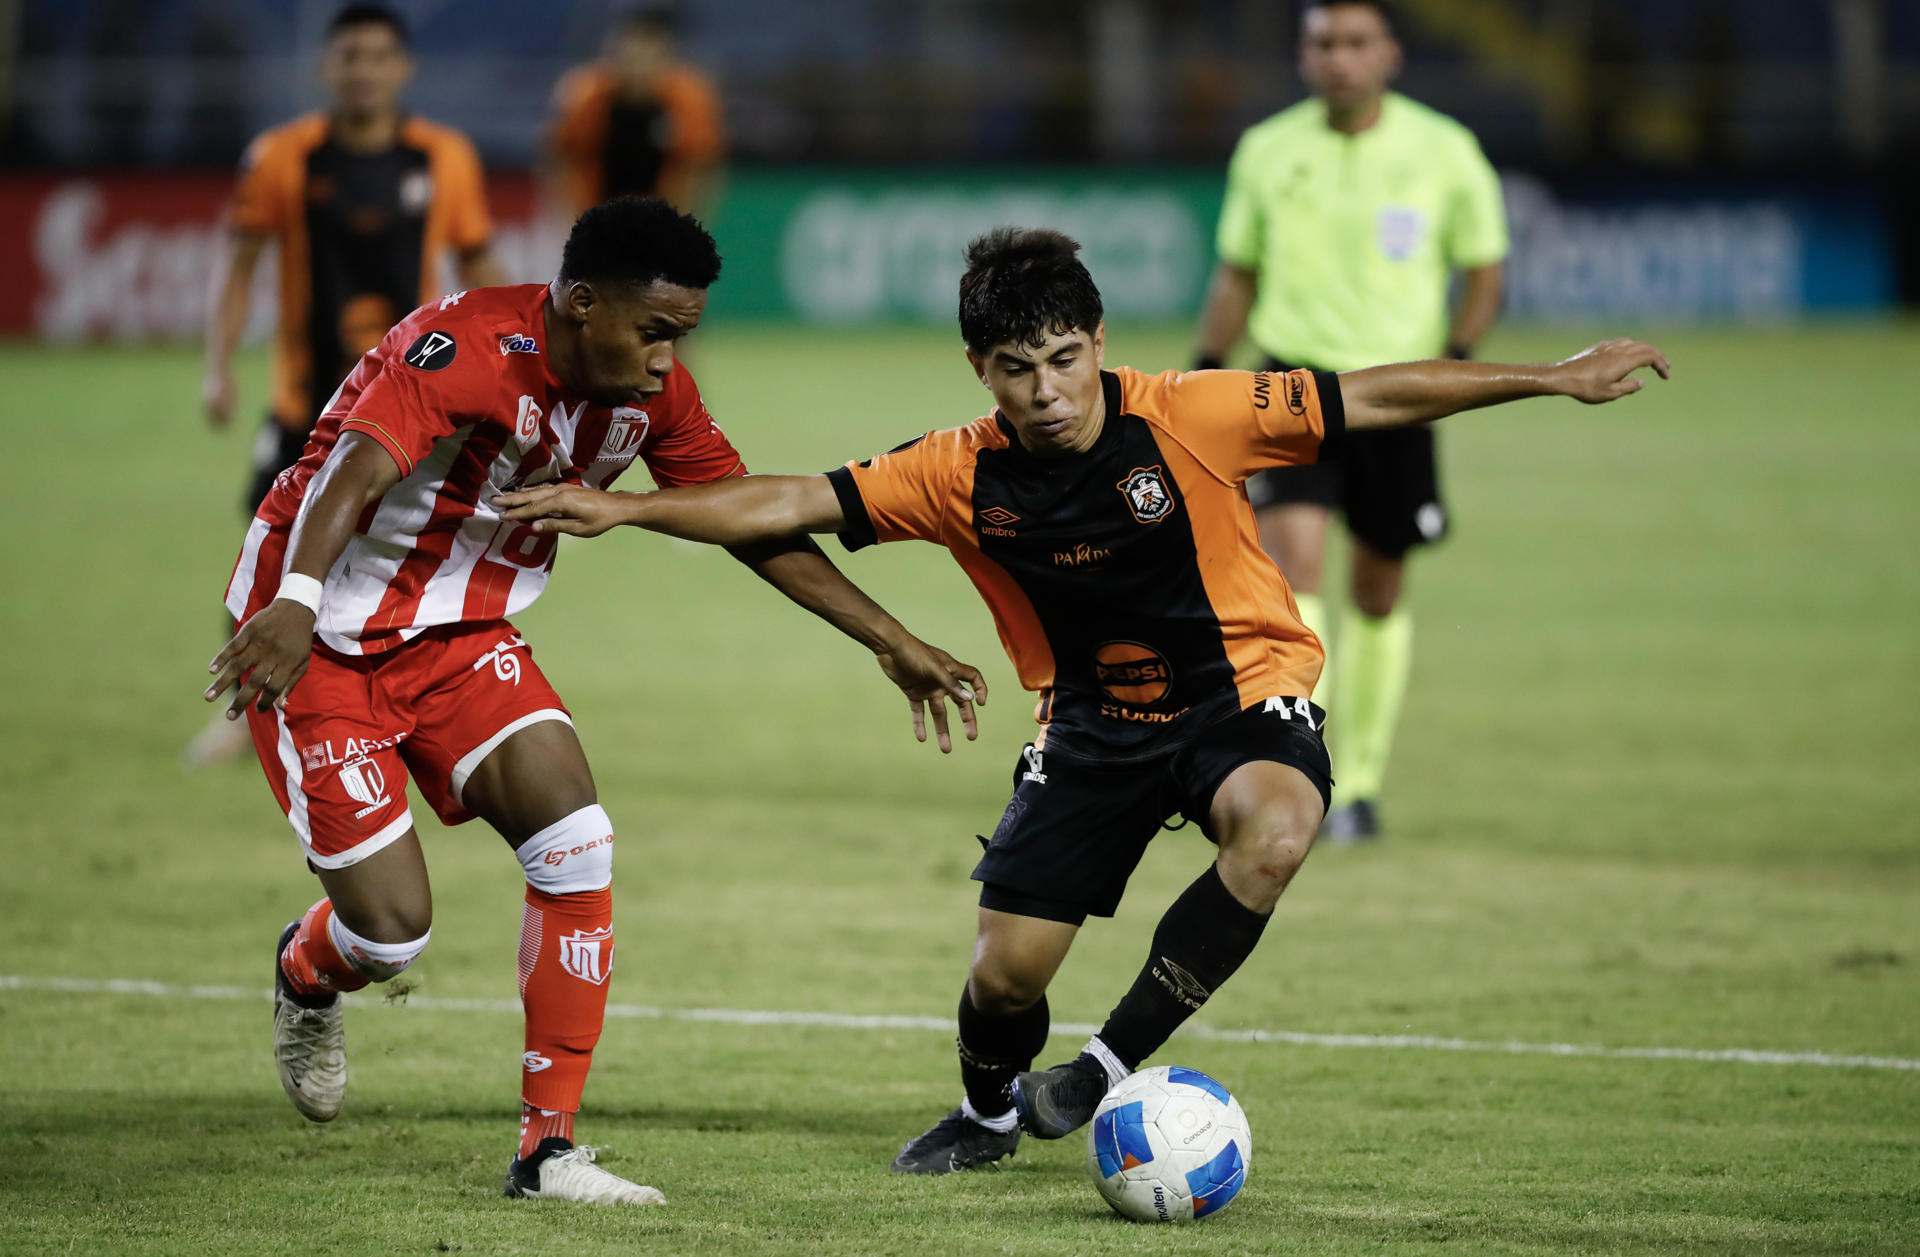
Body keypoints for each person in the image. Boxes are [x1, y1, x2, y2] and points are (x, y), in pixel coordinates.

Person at [494, 228, 1669, 1174]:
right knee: (1005, 978)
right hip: (1091, 727)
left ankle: (1101, 1073)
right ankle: (990, 1113)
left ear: (1097, 342)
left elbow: (1375, 395)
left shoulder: (1192, 415)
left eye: (1065, 359)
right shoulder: (955, 471)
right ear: (980, 371)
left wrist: (1551, 378)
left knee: (1278, 828)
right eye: (1017, 368)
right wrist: (627, 509)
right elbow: (789, 498)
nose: (1048, 391)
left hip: (1241, 697)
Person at [202, 196, 986, 1204]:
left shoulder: (651, 397)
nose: (667, 360)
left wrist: (892, 639)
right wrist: (296, 604)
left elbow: (744, 518)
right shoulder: (469, 346)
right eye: (653, 331)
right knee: (392, 934)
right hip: (315, 640)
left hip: (461, 640)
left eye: (680, 337)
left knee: (578, 845)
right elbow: (355, 469)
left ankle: (546, 1151)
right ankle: (310, 972)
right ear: (580, 303)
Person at [1192, 0, 1509, 839]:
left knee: (1379, 585)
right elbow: (1238, 270)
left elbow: (1484, 264)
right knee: (1294, 564)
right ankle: (1306, 767)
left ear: (1389, 54)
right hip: (1289, 388)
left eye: (1356, 42)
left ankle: (1361, 782)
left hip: (1399, 392)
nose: (1339, 57)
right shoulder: (1267, 150)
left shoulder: (1444, 151)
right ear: (1303, 55)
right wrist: (1206, 368)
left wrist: (1460, 354)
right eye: (1323, 42)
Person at [189, 2, 506, 768]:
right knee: (264, 549)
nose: (363, 70)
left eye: (377, 56)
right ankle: (242, 715)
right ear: (327, 68)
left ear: (403, 68)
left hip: (418, 407)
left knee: (416, 555)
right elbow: (239, 267)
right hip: (306, 399)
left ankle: (405, 708)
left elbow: (482, 273)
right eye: (349, 56)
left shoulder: (446, 159)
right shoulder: (282, 157)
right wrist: (219, 364)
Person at [546, 1, 724, 220]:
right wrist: (572, 219)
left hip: (664, 222)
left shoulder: (690, 100)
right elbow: (560, 158)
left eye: (650, 46)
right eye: (633, 44)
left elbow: (701, 168)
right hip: (596, 218)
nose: (640, 58)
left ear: (667, 52)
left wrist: (684, 226)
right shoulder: (584, 95)